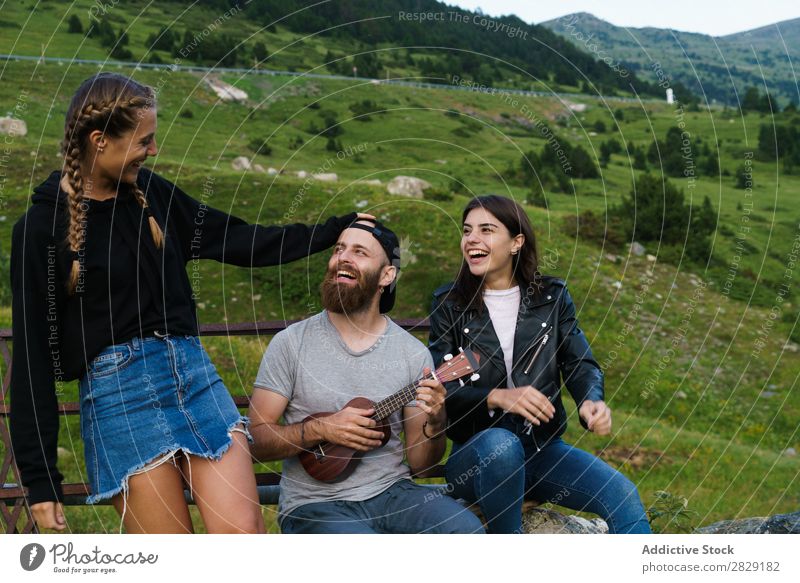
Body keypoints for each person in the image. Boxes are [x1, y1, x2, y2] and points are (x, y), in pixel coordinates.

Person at [10, 72, 368, 534]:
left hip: (195, 381)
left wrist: (332, 232)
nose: (152, 151)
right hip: (121, 400)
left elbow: (237, 239)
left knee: (245, 541)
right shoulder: (39, 229)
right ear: (100, 141)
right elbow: (33, 361)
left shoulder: (153, 196)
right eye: (144, 141)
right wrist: (41, 484)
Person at [427, 195, 651, 534]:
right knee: (501, 446)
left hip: (543, 451)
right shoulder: (449, 305)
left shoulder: (552, 297)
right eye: (467, 230)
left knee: (623, 495)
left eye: (487, 230)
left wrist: (591, 399)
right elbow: (443, 389)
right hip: (478, 458)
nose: (472, 239)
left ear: (516, 242)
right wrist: (498, 396)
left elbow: (579, 362)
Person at [248, 219, 484, 533]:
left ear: (387, 275)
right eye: (338, 250)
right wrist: (321, 429)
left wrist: (436, 419)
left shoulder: (412, 354)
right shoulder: (292, 343)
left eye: (359, 252)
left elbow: (421, 464)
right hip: (315, 505)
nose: (343, 258)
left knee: (466, 531)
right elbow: (256, 442)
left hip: (393, 495)